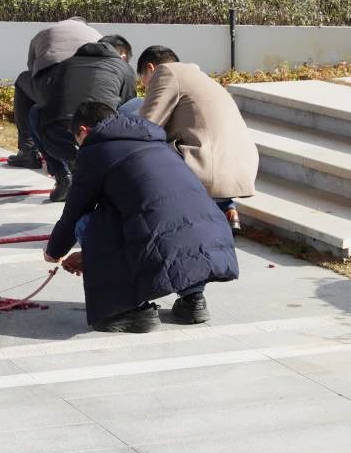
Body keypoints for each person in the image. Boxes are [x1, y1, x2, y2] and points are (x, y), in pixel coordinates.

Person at [43, 101, 240, 332]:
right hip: (211, 235)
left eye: (77, 140)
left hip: (164, 238)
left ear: (84, 131)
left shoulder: (95, 151)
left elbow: (76, 209)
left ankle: (129, 310)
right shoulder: (156, 141)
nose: (78, 146)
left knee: (85, 224)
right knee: (171, 225)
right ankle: (193, 299)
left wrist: (54, 251)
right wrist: (91, 257)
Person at [136, 46, 259, 231]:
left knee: (149, 153)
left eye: (144, 81)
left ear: (150, 68)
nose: (146, 88)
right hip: (241, 164)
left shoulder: (166, 72)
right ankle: (226, 208)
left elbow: (145, 126)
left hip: (210, 166)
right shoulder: (201, 78)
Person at [30, 34, 135, 202]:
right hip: (99, 144)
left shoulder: (66, 64)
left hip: (56, 143)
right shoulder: (124, 68)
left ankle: (62, 174)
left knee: (36, 111)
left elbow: (49, 103)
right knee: (133, 107)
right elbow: (128, 105)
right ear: (123, 55)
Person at [7, 17, 102, 170]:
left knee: (22, 81)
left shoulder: (45, 32)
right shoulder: (96, 34)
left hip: (54, 81)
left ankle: (28, 151)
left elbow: (33, 69)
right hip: (96, 85)